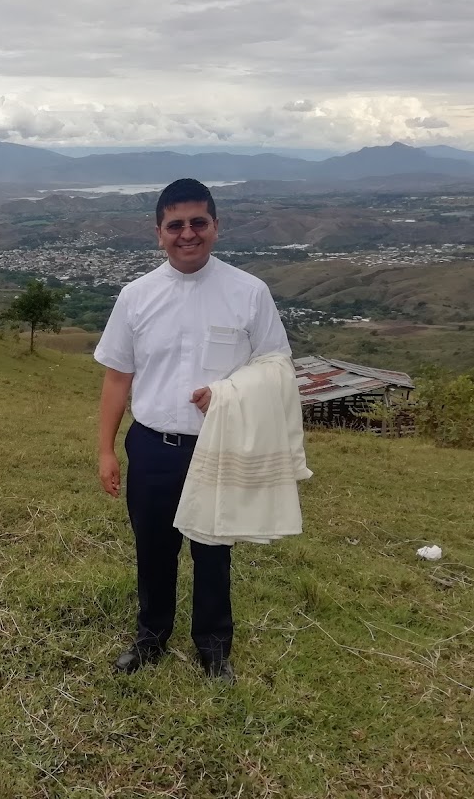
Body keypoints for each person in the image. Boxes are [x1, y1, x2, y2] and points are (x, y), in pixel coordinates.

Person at [93, 178, 292, 681]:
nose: (187, 234)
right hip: (152, 446)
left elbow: (276, 364)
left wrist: (229, 393)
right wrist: (106, 450)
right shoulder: (136, 297)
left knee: (213, 549)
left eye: (198, 223)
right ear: (158, 233)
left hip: (218, 445)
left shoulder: (249, 293)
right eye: (175, 225)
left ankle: (214, 646)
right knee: (153, 548)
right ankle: (151, 637)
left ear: (216, 227)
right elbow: (117, 378)